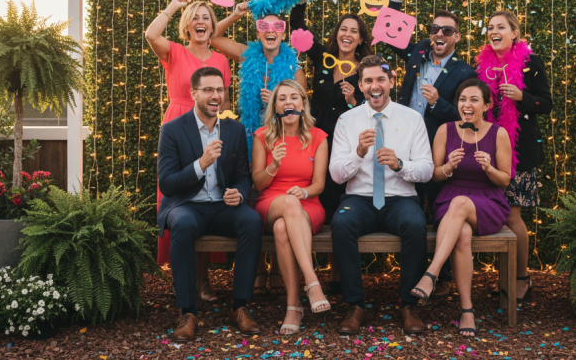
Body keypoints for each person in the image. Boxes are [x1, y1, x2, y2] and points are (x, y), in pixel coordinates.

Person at [288, 0, 405, 294]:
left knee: (343, 200)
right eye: (343, 29)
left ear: (361, 38)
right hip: (318, 137)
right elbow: (298, 28)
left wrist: (355, 100)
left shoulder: (370, 68)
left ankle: (340, 277)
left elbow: (379, 103)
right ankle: (319, 274)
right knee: (322, 199)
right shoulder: (323, 58)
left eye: (354, 30)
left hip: (352, 141)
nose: (347, 34)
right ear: (337, 34)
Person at [145, 0, 247, 299]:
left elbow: (223, 102)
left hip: (213, 127)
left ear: (212, 26)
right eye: (195, 18)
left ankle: (203, 279)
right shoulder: (174, 51)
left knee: (211, 194)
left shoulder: (220, 59)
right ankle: (185, 280)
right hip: (179, 124)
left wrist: (224, 128)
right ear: (187, 26)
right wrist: (174, 6)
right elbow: (151, 34)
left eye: (206, 18)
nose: (200, 22)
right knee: (184, 200)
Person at [329, 55, 434, 335]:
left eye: (380, 79)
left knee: (415, 224)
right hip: (359, 199)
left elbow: (426, 170)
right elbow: (336, 175)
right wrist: (358, 153)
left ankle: (409, 305)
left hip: (401, 199)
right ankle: (355, 305)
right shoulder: (346, 120)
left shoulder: (412, 119)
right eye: (368, 81)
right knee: (341, 223)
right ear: (360, 85)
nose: (374, 86)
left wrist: (400, 164)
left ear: (391, 82)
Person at [157, 67, 263, 341]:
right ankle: (187, 312)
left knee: (252, 221)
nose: (215, 95)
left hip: (221, 206)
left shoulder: (234, 130)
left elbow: (242, 177)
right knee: (182, 224)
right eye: (208, 90)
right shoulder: (172, 130)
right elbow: (166, 183)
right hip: (186, 205)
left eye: (220, 90)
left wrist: (239, 193)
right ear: (193, 93)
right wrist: (201, 164)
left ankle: (239, 307)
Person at [386, 0, 477, 299]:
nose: (440, 34)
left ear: (456, 37)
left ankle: (442, 276)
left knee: (439, 208)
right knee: (410, 208)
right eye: (435, 29)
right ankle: (412, 274)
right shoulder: (417, 55)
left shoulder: (465, 71)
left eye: (447, 30)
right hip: (406, 144)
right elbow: (390, 35)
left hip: (439, 149)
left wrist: (438, 102)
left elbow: (466, 115)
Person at [409, 78, 513, 337]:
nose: (467, 104)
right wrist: (448, 167)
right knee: (462, 233)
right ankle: (467, 310)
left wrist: (489, 168)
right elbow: (434, 175)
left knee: (461, 203)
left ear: (486, 105)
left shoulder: (498, 133)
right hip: (450, 200)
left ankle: (431, 273)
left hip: (488, 202)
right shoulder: (445, 130)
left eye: (474, 100)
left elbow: (505, 180)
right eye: (463, 99)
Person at [475, 10, 553, 303]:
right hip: (489, 150)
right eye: (490, 27)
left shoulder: (530, 62)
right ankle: (505, 277)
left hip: (519, 151)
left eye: (500, 27)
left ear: (514, 33)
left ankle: (521, 278)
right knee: (495, 214)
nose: (493, 31)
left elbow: (546, 103)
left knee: (512, 215)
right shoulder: (482, 65)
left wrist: (523, 98)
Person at [251, 80, 331, 334]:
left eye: (294, 97)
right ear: (275, 107)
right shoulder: (262, 136)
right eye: (282, 98)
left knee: (282, 229)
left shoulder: (318, 137)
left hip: (308, 204)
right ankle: (312, 282)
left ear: (303, 104)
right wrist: (273, 166)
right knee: (288, 203)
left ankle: (293, 306)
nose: (288, 102)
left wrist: (304, 191)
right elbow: (258, 183)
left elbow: (319, 184)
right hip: (271, 201)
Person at [210, 0, 314, 153]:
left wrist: (277, 101)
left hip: (283, 141)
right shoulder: (246, 55)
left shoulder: (295, 71)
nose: (270, 30)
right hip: (250, 138)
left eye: (277, 26)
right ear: (258, 33)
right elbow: (214, 37)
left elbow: (302, 112)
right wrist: (235, 15)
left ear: (283, 34)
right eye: (264, 26)